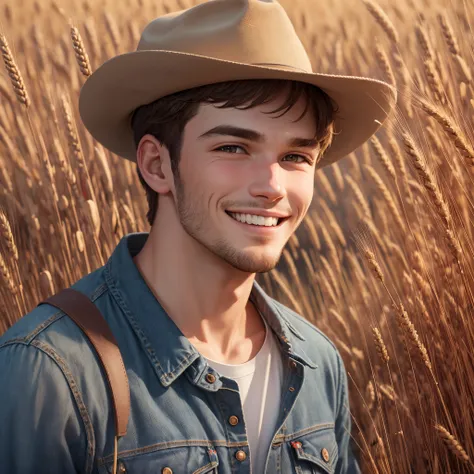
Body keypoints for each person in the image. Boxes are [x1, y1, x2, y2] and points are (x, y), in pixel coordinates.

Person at [0, 0, 396, 473]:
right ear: (157, 165)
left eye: (296, 157)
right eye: (233, 147)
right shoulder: (50, 373)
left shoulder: (317, 364)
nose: (272, 186)